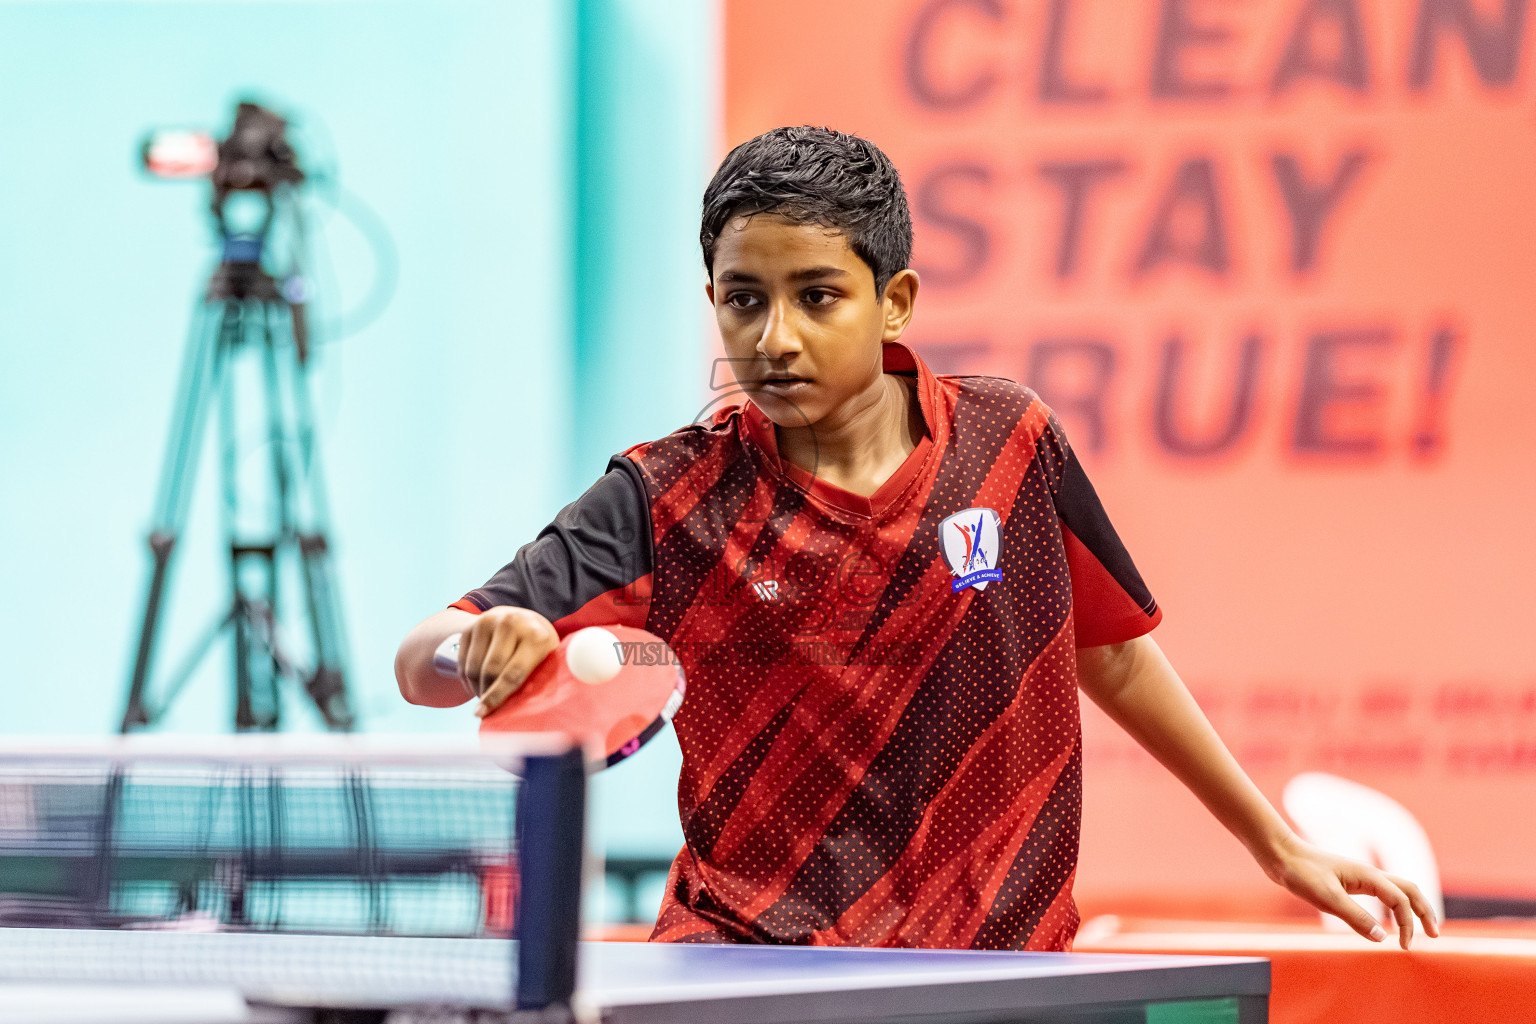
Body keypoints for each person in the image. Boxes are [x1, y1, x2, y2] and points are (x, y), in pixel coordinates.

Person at [396, 126, 1439, 951]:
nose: (776, 336)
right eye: (743, 300)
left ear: (893, 301)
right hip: (752, 961)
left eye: (817, 297)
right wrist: (476, 647)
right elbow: (423, 662)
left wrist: (1276, 845)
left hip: (996, 958)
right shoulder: (670, 491)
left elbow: (1111, 653)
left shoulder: (1010, 443)